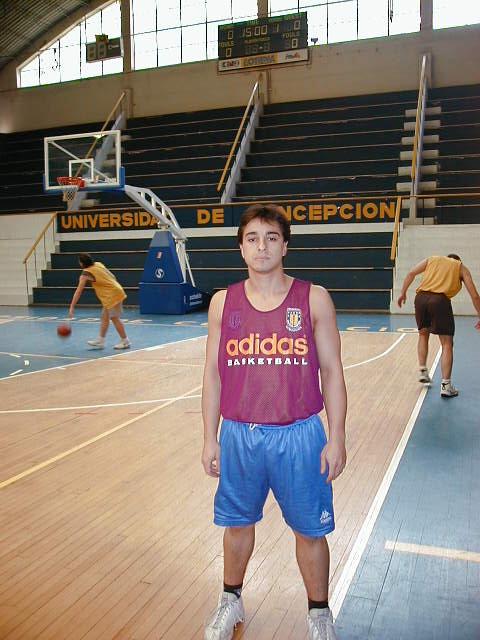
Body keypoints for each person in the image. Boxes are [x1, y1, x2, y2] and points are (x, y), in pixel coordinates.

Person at [201, 204, 347, 640]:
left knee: (310, 530)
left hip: (300, 435)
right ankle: (231, 599)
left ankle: (319, 614)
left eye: (271, 237)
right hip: (239, 435)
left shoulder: (314, 298)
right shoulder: (222, 302)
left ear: (285, 245)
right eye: (252, 238)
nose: (261, 246)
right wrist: (209, 437)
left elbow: (332, 371)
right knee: (237, 524)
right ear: (241, 247)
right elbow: (212, 374)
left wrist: (337, 436)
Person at [397, 253, 480, 397]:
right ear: (458, 261)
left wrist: (403, 293)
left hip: (420, 298)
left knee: (423, 335)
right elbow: (475, 296)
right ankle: (446, 386)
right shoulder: (460, 267)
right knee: (447, 343)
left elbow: (411, 273)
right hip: (439, 301)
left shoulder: (433, 259)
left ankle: (423, 370)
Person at [69, 253, 131, 350]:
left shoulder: (85, 274)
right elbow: (113, 276)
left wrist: (72, 306)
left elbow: (79, 291)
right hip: (115, 290)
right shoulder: (98, 264)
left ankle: (125, 341)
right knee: (104, 317)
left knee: (114, 318)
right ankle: (101, 340)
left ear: (82, 263)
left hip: (112, 295)